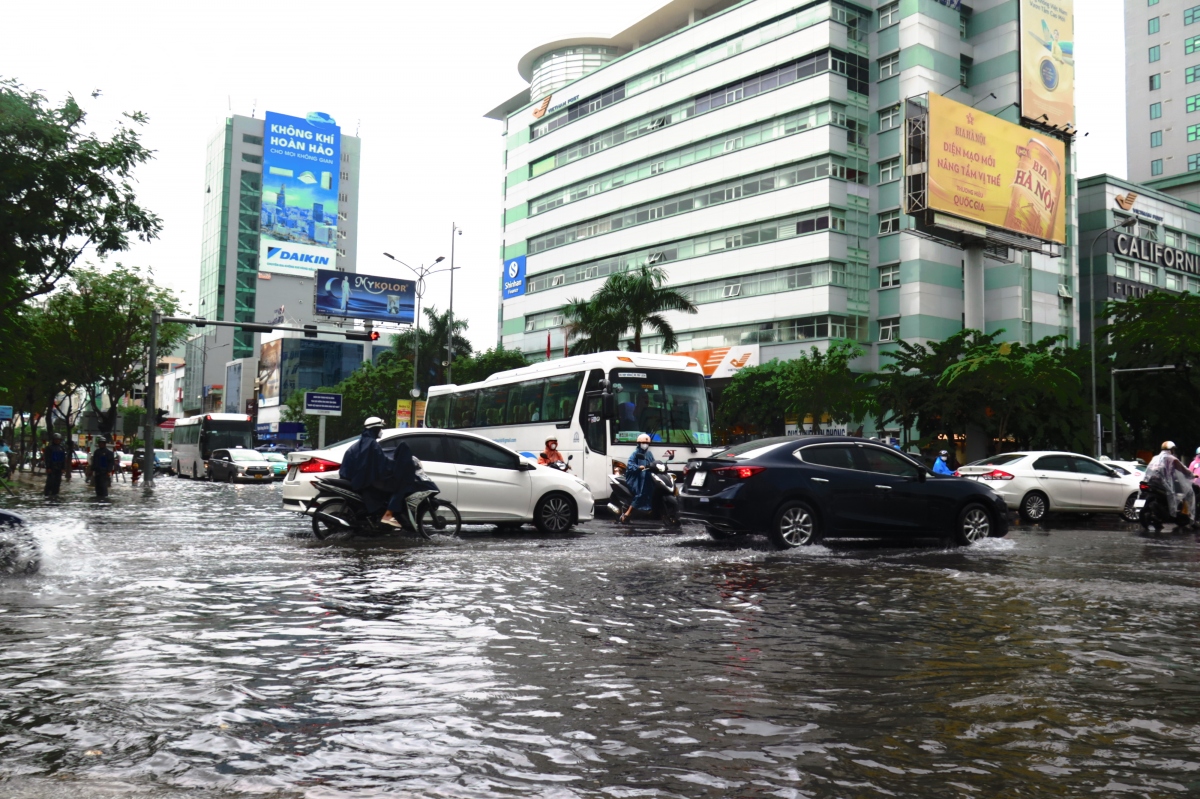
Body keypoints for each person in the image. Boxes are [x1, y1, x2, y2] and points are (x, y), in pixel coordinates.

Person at [1146, 441, 1195, 526]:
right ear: (1171, 450)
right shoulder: (1172, 459)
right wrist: (1192, 475)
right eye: (1173, 449)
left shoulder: (1155, 457)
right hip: (1163, 483)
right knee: (1173, 494)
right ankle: (1173, 513)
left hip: (1151, 481)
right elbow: (1183, 469)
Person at [618, 433, 656, 523]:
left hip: (646, 477)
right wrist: (639, 467)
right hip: (635, 478)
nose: (645, 444)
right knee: (640, 492)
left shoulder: (649, 454)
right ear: (639, 444)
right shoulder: (635, 454)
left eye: (646, 443)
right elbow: (630, 466)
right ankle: (628, 513)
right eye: (643, 443)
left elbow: (653, 463)